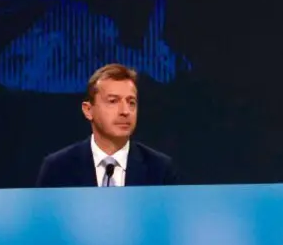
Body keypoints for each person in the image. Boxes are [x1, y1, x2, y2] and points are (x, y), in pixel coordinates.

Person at [35, 63, 180, 187]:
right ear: (88, 110)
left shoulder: (160, 169)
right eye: (113, 101)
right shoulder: (58, 168)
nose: (125, 111)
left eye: (131, 103)